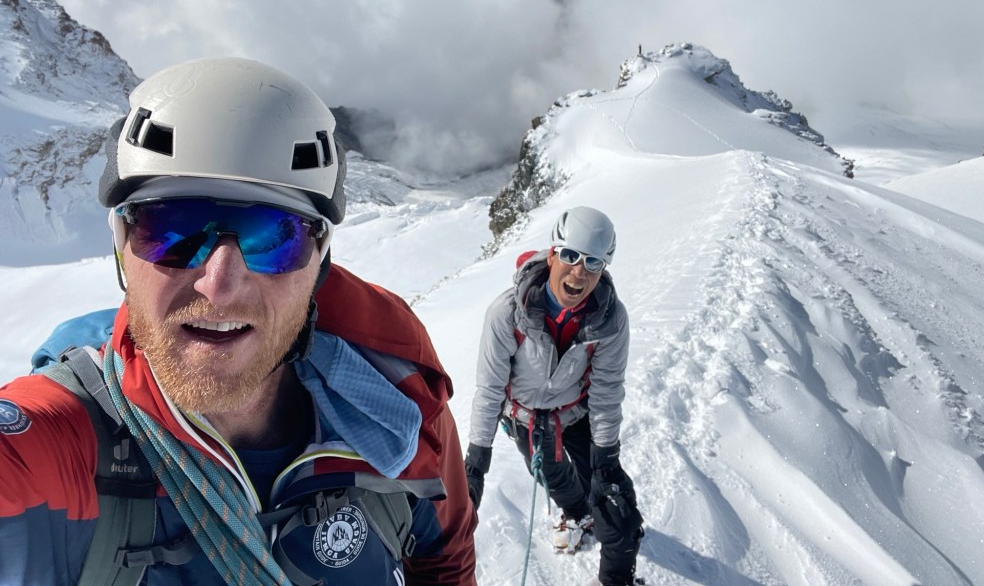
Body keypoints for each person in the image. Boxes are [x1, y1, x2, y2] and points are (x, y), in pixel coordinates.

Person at [0, 58, 477, 585]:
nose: (219, 286)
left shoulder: (395, 410)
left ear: (318, 263)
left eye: (274, 238)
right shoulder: (62, 442)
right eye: (172, 230)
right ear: (121, 248)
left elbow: (445, 563)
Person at [464, 207, 644, 586]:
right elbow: (490, 389)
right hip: (527, 419)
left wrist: (606, 459)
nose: (579, 272)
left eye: (593, 262)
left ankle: (615, 577)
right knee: (554, 477)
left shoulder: (610, 321)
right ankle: (578, 514)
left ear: (603, 270)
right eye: (570, 256)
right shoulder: (507, 313)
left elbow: (607, 389)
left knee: (617, 508)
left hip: (577, 413)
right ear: (552, 256)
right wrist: (475, 464)